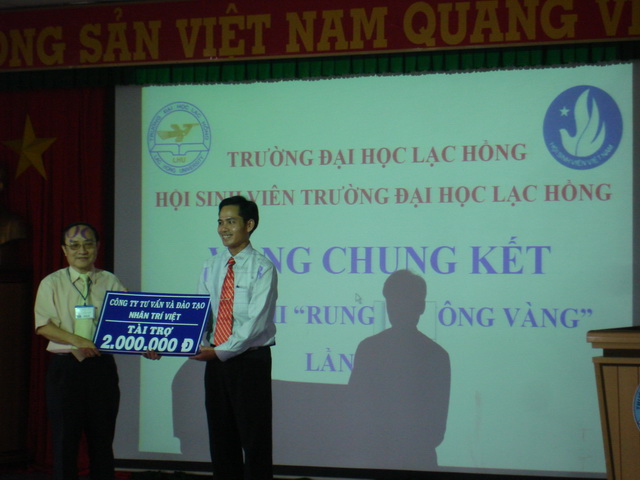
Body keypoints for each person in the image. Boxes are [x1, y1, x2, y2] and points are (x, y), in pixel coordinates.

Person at [34, 222, 156, 480]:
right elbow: (44, 326)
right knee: (65, 442)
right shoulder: (52, 283)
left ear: (98, 247)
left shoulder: (110, 280)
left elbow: (128, 323)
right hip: (66, 369)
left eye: (88, 244)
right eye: (74, 245)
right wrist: (78, 340)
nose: (82, 251)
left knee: (102, 441)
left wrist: (145, 345)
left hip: (101, 369)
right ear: (64, 250)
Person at [190, 196, 278, 480]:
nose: (223, 228)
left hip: (249, 361)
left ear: (249, 225)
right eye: (220, 222)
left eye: (230, 222)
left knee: (254, 439)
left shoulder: (263, 267)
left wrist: (219, 351)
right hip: (215, 360)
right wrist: (181, 341)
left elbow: (256, 323)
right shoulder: (210, 265)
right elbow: (200, 313)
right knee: (221, 438)